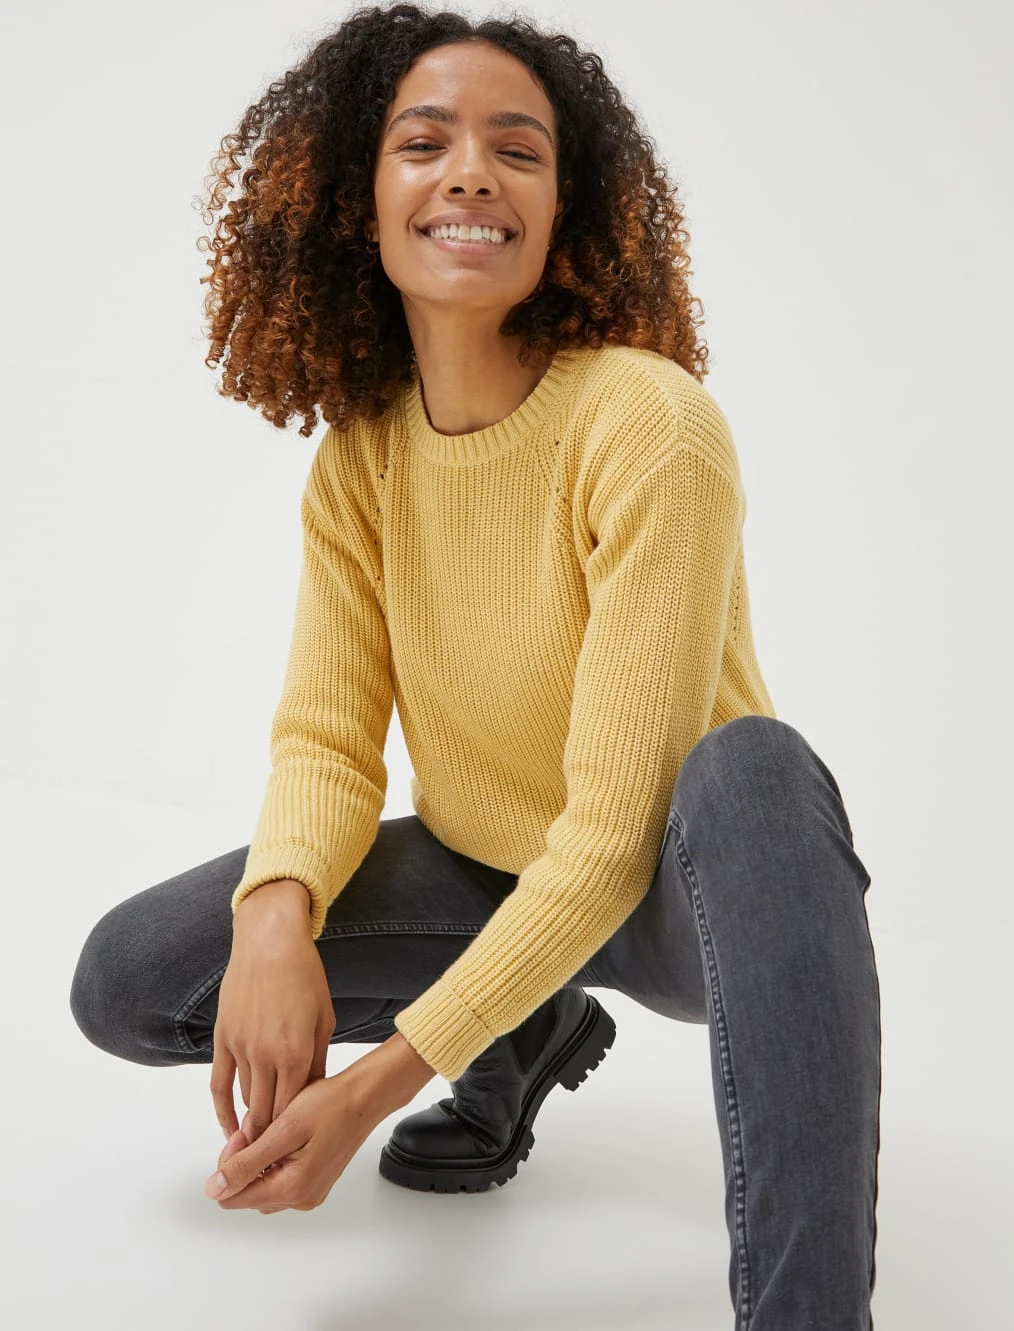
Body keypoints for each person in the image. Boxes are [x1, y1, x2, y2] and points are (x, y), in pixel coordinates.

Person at [69, 4, 881, 1326]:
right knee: (134, 976)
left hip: (687, 895)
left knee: (755, 768)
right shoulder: (362, 458)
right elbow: (329, 738)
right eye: (424, 142)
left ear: (565, 206)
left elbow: (610, 838)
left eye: (518, 149)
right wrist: (275, 914)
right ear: (359, 197)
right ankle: (529, 1021)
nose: (470, 175)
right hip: (483, 868)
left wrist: (375, 1082)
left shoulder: (649, 425)